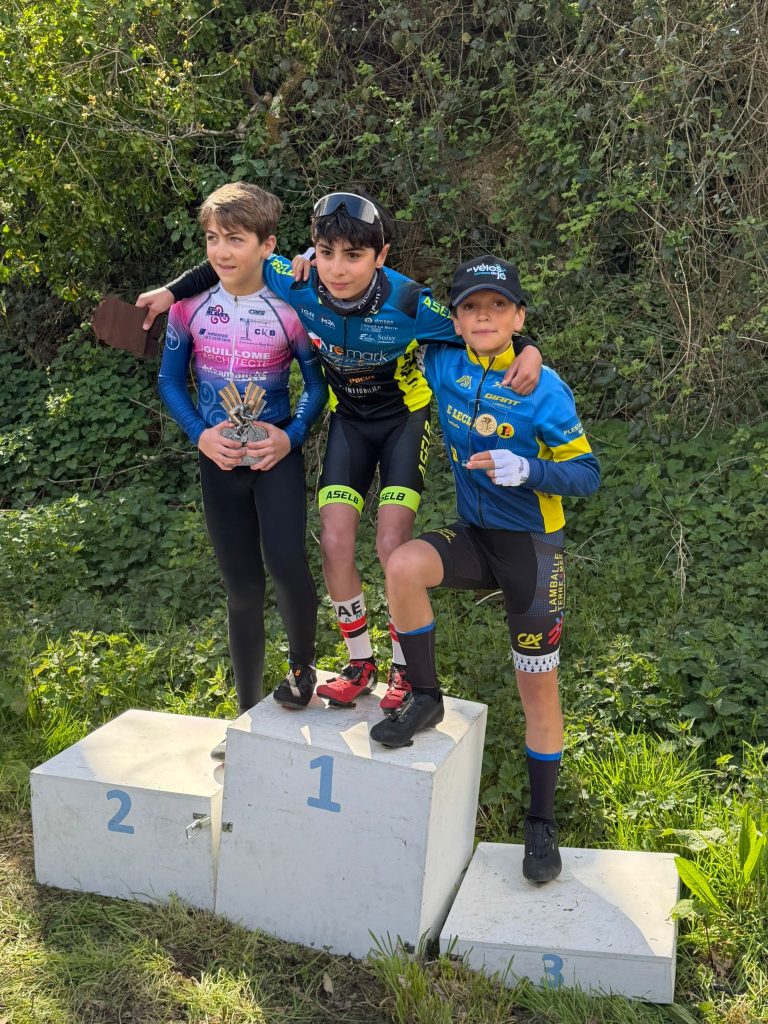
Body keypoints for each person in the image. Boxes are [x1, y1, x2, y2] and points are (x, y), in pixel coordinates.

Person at [138, 193, 542, 712]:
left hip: (402, 421)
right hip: (349, 422)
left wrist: (529, 347)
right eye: (326, 253)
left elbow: (477, 326)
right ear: (313, 249)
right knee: (333, 541)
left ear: (381, 256)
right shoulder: (298, 282)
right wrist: (170, 292)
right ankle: (359, 663)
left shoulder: (409, 302)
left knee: (391, 544)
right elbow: (229, 261)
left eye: (353, 256)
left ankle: (404, 669)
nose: (337, 269)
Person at [370, 256, 600, 884]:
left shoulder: (542, 386)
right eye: (471, 307)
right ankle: (425, 697)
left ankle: (541, 822)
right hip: (474, 537)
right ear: (456, 319)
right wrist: (304, 264)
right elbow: (392, 293)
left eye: (499, 307)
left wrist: (529, 470)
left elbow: (587, 473)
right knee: (403, 564)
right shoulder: (442, 361)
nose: (483, 317)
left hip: (532, 549)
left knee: (537, 691)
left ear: (519, 316)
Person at [157, 182, 328, 758]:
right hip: (219, 461)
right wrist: (200, 435)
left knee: (285, 563)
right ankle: (247, 716)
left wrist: (291, 435)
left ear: (267, 245)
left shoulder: (292, 308)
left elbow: (317, 386)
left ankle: (302, 671)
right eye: (212, 238)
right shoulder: (187, 308)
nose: (221, 252)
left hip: (274, 457)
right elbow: (168, 381)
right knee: (242, 589)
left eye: (235, 239)